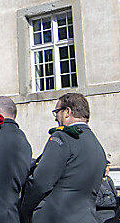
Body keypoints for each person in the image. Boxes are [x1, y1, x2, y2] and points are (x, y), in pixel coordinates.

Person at [21, 92, 106, 223]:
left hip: (56, 216)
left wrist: (24, 209)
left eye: (57, 112)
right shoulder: (97, 146)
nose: (56, 118)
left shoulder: (62, 137)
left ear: (67, 112)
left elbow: (41, 182)